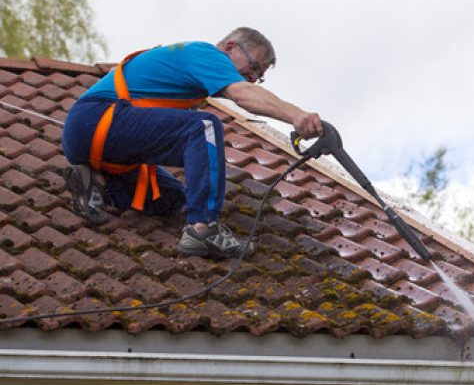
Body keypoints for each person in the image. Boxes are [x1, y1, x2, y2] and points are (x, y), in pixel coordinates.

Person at [61, 27, 323, 259]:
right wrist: (296, 115)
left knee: (172, 199)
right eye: (253, 67)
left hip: (97, 143)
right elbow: (243, 95)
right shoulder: (206, 54)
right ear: (230, 47)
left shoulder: (184, 84)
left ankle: (95, 182)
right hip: (96, 119)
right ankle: (203, 228)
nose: (251, 78)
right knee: (204, 127)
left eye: (259, 76)